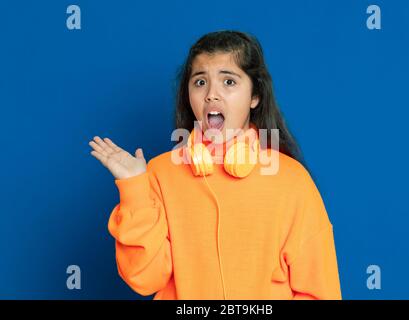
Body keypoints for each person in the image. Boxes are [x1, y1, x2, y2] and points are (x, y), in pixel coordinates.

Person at [89, 30, 342, 300]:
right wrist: (135, 189)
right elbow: (146, 279)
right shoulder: (160, 173)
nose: (211, 94)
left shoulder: (292, 181)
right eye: (200, 82)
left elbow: (319, 293)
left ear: (255, 96)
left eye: (229, 81)